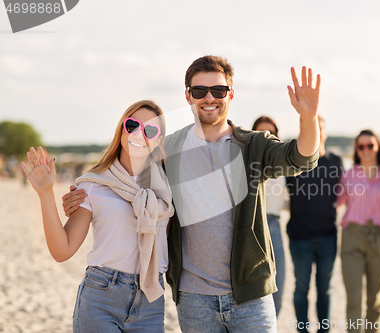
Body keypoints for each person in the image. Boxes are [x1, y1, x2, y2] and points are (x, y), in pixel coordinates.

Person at [63, 55, 322, 332]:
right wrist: (84, 194)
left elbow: (301, 159)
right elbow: (129, 178)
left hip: (251, 297)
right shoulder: (168, 149)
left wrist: (308, 117)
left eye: (218, 90)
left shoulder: (253, 146)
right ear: (188, 96)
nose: (209, 97)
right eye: (200, 91)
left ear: (230, 94)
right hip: (193, 300)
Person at [21, 100, 175, 332]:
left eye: (150, 130)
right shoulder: (94, 184)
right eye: (132, 125)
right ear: (121, 129)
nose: (139, 134)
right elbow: (62, 250)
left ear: (159, 140)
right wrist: (45, 194)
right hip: (101, 296)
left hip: (151, 300)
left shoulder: (169, 187)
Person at [286, 116, 343, 333]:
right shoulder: (292, 160)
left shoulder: (335, 161)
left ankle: (324, 330)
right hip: (299, 237)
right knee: (301, 289)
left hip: (328, 236)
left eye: (320, 128)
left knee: (325, 290)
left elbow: (349, 191)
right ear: (302, 130)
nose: (316, 131)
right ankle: (302, 330)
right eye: (309, 127)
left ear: (325, 132)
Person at [336, 129, 380, 333]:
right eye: (361, 146)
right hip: (352, 237)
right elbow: (336, 202)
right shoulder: (348, 175)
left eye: (371, 145)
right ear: (356, 150)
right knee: (354, 298)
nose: (366, 149)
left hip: (379, 237)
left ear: (378, 147)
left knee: (375, 299)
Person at [252, 116, 289, 317]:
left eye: (271, 134)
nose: (267, 138)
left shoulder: (283, 164)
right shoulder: (245, 161)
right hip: (251, 224)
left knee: (279, 288)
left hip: (275, 226)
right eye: (261, 133)